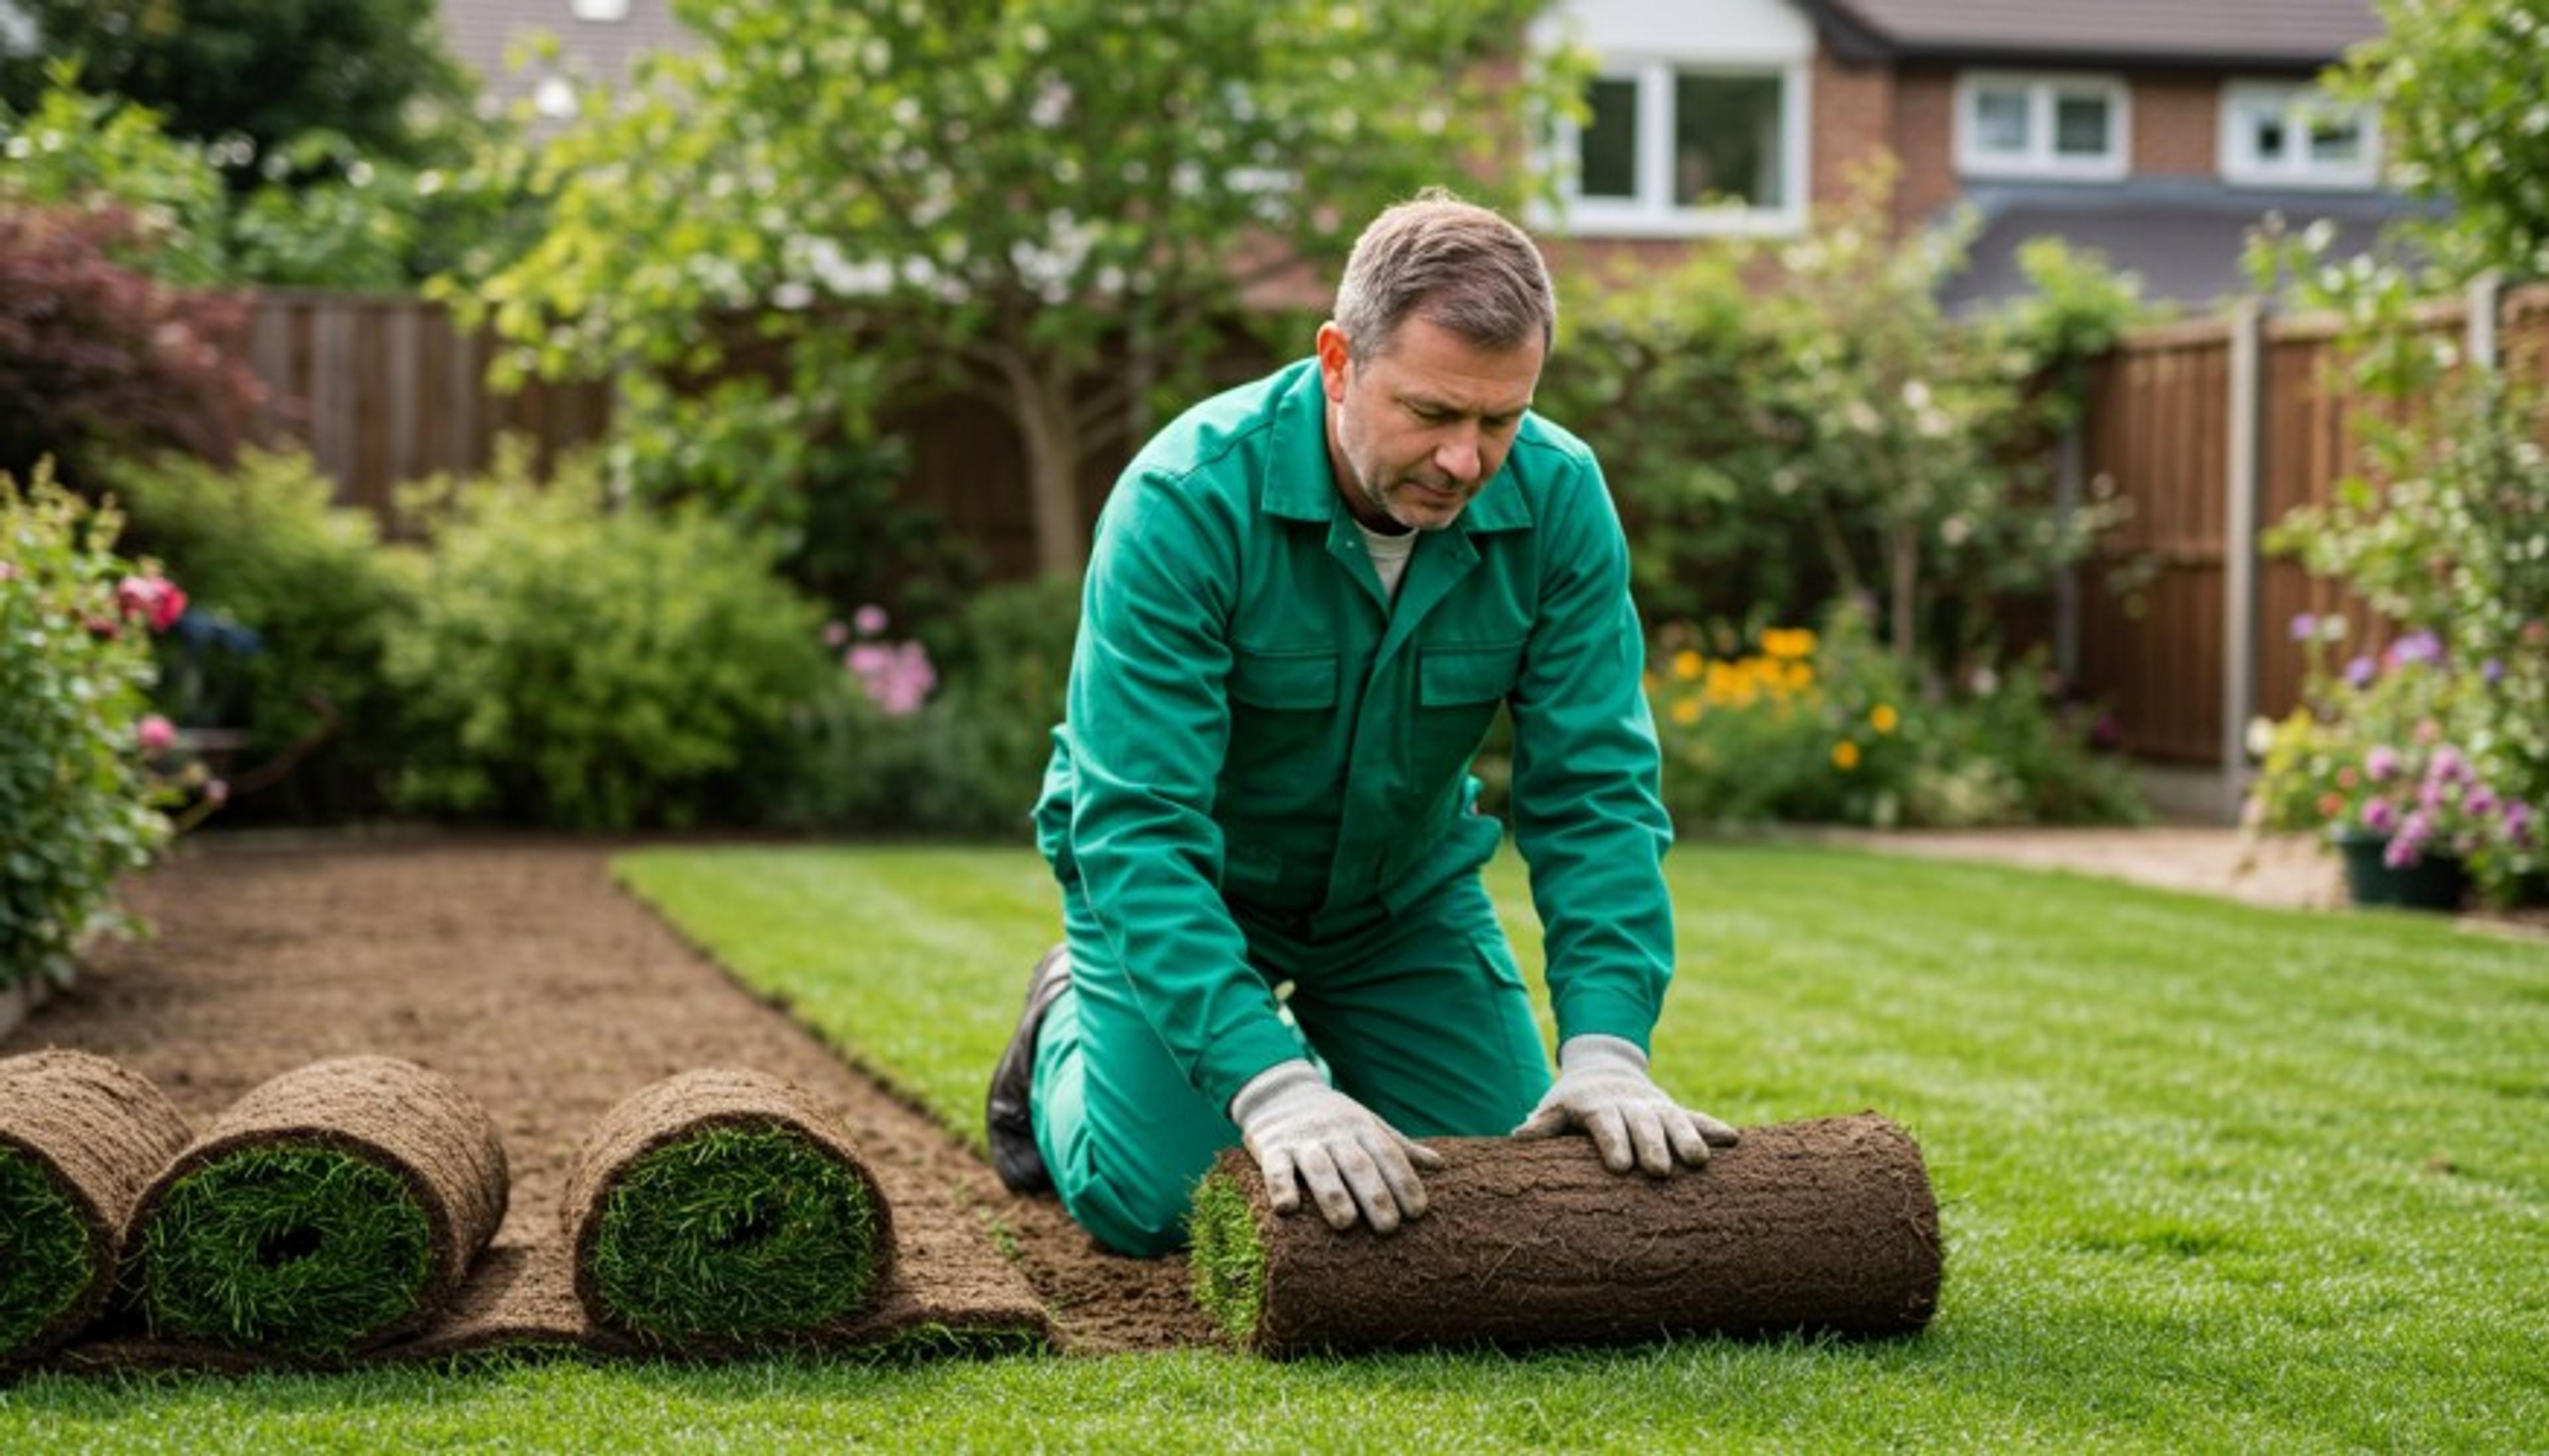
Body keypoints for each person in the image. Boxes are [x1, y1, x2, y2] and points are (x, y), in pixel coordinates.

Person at [984, 190, 1737, 1257]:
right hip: (1192, 885)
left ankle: (1315, 1058)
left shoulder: (1560, 498)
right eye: (1432, 413)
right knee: (1169, 1203)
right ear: (1338, 361)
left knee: (1498, 1180)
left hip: (1396, 894)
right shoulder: (1185, 499)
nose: (1467, 461)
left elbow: (1596, 789)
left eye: (1500, 419)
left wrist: (1609, 1047)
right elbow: (1138, 829)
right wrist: (1275, 1086)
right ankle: (1064, 1021)